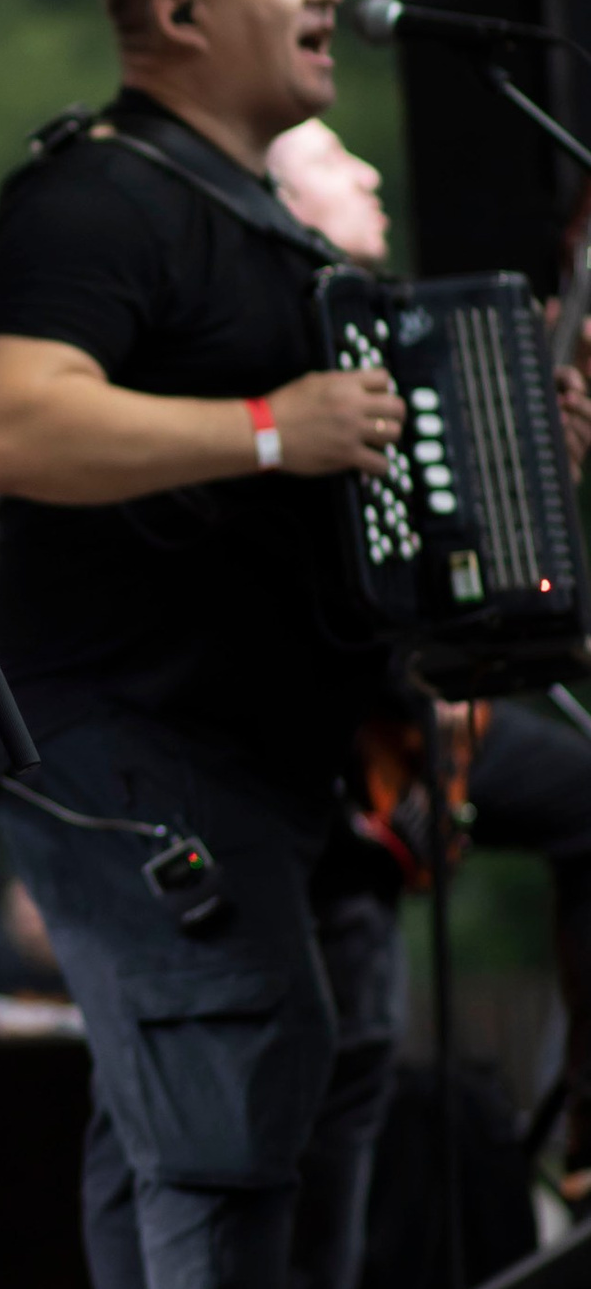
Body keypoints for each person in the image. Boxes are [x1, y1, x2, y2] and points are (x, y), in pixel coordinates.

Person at [0, 0, 412, 1289]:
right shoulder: (94, 193)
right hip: (123, 740)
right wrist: (274, 430)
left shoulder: (271, 231)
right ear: (177, 11)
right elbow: (16, 426)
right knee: (228, 1090)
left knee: (278, 1085)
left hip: (273, 755)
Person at [270, 115, 591, 1196]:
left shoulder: (410, 319)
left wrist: (546, 463)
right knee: (343, 1039)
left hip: (412, 706)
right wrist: (408, 672)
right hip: (316, 728)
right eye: (327, 163)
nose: (364, 171)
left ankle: (582, 1105)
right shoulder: (268, 326)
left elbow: (470, 542)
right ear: (280, 201)